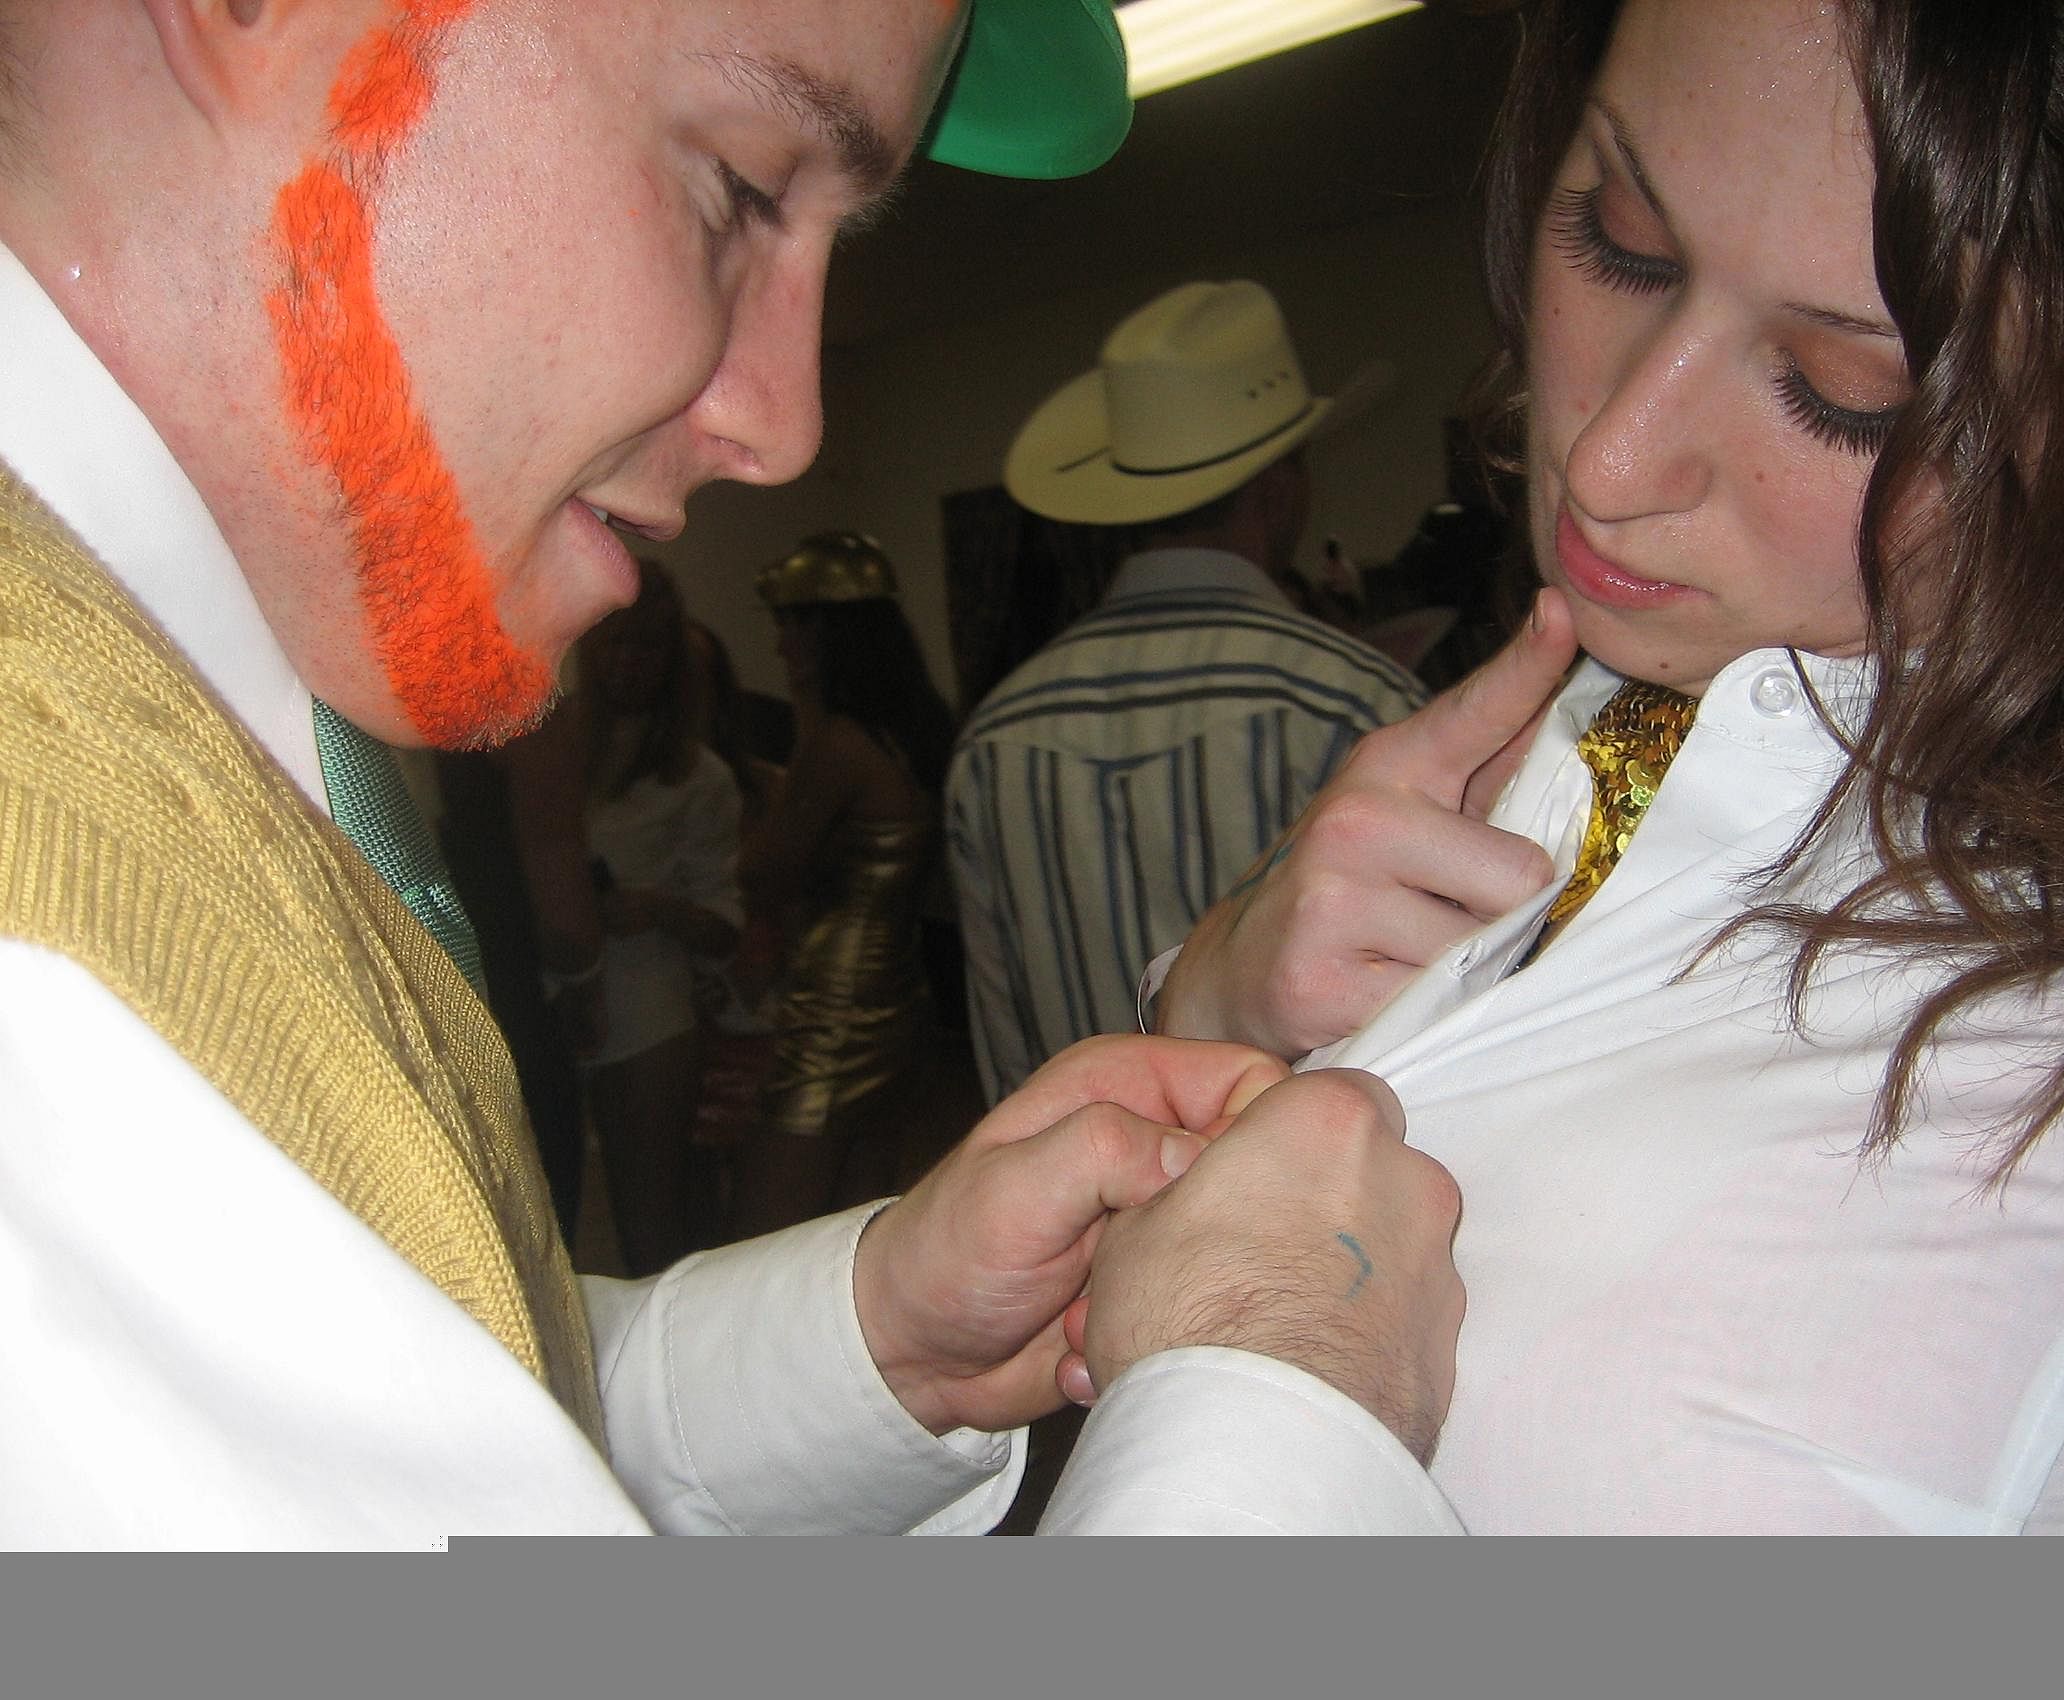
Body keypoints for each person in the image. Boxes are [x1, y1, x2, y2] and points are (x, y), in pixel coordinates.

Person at [0, 0, 1467, 1543]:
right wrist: (1277, 1409)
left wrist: (879, 1332)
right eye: (742, 187)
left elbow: (408, 1416)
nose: (785, 424)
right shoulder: (45, 986)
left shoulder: (170, 759)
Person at [1099, 0, 2064, 1532]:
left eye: (1849, 391)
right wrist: (1214, 1009)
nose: (1607, 464)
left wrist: (1263, 1399)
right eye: (1620, 242)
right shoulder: (1578, 707)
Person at [947, 278, 1428, 1101]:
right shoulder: (1360, 709)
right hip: (1313, 1180)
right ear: (1279, 491)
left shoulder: (994, 741)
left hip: (1078, 1175)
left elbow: (1006, 1049)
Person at [734, 533, 954, 1236]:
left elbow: (763, 871)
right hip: (898, 990)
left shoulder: (836, 745)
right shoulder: (910, 732)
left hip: (833, 999)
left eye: (791, 625)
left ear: (826, 632)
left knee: (768, 1221)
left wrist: (768, 800)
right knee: (858, 1216)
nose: (780, 645)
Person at [562, 561, 745, 1276]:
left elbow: (724, 927)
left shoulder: (699, 777)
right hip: (555, 1005)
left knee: (650, 1235)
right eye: (614, 641)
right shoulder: (554, 749)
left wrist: (656, 909)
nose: (627, 662)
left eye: (646, 646)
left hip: (648, 1013)